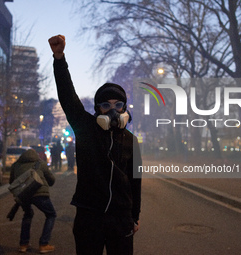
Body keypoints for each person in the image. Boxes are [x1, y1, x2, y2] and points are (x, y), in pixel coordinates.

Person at [48, 34, 142, 255]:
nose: (112, 110)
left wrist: (134, 217)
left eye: (118, 104)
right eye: (106, 104)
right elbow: (68, 97)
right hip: (89, 218)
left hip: (121, 220)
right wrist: (59, 58)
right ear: (98, 108)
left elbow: (135, 182)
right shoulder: (86, 129)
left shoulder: (131, 141)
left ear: (124, 109)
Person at [9, 149, 56, 253]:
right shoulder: (40, 164)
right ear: (36, 156)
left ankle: (23, 244)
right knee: (51, 214)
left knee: (28, 214)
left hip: (23, 195)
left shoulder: (16, 165)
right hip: (39, 193)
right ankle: (44, 244)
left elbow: (11, 182)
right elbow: (52, 180)